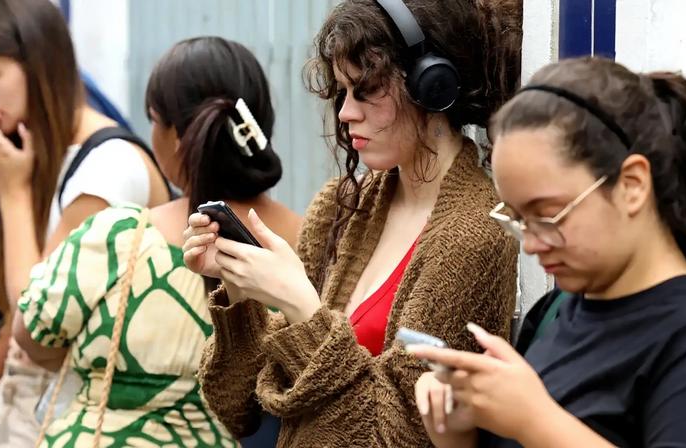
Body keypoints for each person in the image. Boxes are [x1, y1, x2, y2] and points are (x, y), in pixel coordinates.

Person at [183, 0, 522, 445]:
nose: (345, 113)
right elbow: (237, 407)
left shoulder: (476, 234)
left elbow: (401, 437)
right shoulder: (341, 205)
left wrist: (303, 309)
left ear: (431, 86)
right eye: (341, 91)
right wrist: (244, 295)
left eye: (365, 90)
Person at [410, 57, 686, 447]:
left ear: (632, 185)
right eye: (519, 219)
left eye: (549, 215)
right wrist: (457, 434)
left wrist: (534, 420)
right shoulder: (554, 312)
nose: (533, 244)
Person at [13, 36, 301, 447]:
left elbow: (31, 335)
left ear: (177, 137)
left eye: (153, 119)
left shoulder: (120, 236)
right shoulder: (310, 241)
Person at [0, 0, 171, 445]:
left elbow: (37, 322)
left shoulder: (108, 167)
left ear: (38, 66)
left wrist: (12, 194)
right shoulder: (43, 152)